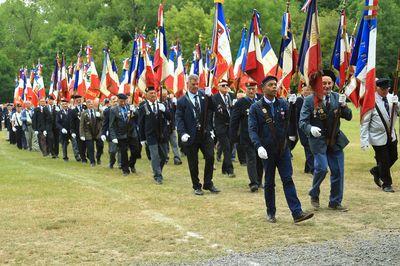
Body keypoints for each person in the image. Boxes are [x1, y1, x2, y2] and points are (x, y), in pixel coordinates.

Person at [248, 75, 314, 223]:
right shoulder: (256, 108)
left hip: (282, 150)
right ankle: (271, 212)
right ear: (263, 88)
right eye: (270, 85)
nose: (274, 87)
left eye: (275, 84)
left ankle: (297, 213)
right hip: (267, 151)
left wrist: (293, 106)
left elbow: (291, 121)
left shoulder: (283, 104)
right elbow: (252, 129)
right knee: (269, 182)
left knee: (287, 179)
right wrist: (258, 146)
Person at [299, 70, 352, 211]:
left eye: (329, 83)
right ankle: (314, 193)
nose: (327, 86)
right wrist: (310, 129)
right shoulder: (310, 100)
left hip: (335, 140)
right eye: (324, 83)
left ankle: (335, 202)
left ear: (333, 84)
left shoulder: (337, 98)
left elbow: (349, 116)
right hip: (319, 141)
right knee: (321, 168)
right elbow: (302, 121)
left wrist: (344, 106)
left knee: (338, 172)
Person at [175, 74, 220, 195]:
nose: (195, 86)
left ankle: (208, 183)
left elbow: (214, 108)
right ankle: (196, 185)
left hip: (204, 134)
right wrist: (182, 133)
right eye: (193, 84)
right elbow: (179, 119)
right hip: (190, 135)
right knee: (193, 162)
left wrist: (210, 97)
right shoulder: (182, 101)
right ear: (187, 84)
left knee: (210, 157)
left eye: (197, 84)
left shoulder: (203, 96)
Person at [360, 78, 398, 192]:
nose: (385, 91)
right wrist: (364, 140)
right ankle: (386, 184)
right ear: (377, 88)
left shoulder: (392, 98)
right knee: (384, 160)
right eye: (383, 89)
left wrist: (397, 104)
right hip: (377, 137)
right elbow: (365, 122)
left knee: (394, 157)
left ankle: (377, 170)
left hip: (391, 135)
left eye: (387, 89)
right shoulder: (371, 100)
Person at [230, 81, 263, 192]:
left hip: (261, 136)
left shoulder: (261, 100)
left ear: (256, 88)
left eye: (253, 88)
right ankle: (253, 183)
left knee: (260, 159)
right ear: (245, 89)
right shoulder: (241, 103)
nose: (251, 90)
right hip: (247, 136)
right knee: (251, 158)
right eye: (249, 88)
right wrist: (233, 136)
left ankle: (259, 180)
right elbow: (234, 120)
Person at [138, 87, 171, 184]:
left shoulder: (161, 105)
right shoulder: (143, 107)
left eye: (154, 93)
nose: (153, 95)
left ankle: (158, 170)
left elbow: (170, 117)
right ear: (147, 95)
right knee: (155, 156)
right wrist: (142, 138)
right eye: (151, 93)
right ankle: (158, 175)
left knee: (164, 156)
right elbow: (141, 123)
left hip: (162, 134)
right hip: (150, 135)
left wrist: (165, 110)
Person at [212, 79, 235, 177]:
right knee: (227, 147)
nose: (225, 87)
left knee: (229, 148)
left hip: (229, 125)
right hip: (220, 126)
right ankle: (230, 170)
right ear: (218, 87)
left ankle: (224, 169)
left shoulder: (231, 96)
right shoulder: (215, 98)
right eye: (223, 85)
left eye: (226, 85)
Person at [109, 93, 131, 176]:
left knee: (136, 150)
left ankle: (131, 164)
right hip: (120, 135)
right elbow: (111, 125)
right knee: (123, 152)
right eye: (121, 101)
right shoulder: (113, 110)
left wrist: (134, 112)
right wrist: (113, 136)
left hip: (130, 133)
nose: (123, 103)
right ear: (118, 100)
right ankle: (125, 170)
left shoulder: (129, 107)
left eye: (124, 101)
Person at [296, 84, 314, 174]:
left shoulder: (311, 100)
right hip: (302, 127)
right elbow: (296, 116)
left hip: (310, 126)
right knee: (308, 147)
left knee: (310, 148)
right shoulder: (299, 100)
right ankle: (312, 169)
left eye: (308, 90)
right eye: (305, 90)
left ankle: (307, 168)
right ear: (301, 91)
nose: (307, 92)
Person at [161, 89, 182, 165]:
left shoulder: (171, 102)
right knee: (165, 144)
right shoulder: (158, 103)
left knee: (175, 143)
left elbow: (175, 112)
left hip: (171, 125)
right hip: (163, 127)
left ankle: (177, 158)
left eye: (165, 96)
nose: (164, 97)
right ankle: (165, 158)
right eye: (162, 96)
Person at [79, 99, 102, 167]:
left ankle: (98, 157)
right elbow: (81, 124)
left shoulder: (97, 111)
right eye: (89, 104)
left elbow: (103, 119)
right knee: (90, 148)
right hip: (88, 132)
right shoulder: (84, 113)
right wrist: (82, 134)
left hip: (97, 132)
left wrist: (100, 116)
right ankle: (92, 162)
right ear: (87, 105)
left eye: (91, 104)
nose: (91, 105)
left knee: (100, 146)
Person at [101, 96, 121, 169]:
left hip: (121, 133)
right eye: (113, 100)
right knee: (112, 151)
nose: (115, 102)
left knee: (121, 149)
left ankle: (120, 163)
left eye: (116, 100)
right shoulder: (107, 111)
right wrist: (103, 133)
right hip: (112, 133)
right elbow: (105, 123)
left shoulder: (122, 109)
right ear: (110, 102)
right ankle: (112, 162)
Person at [70, 95, 86, 163]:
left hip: (86, 130)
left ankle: (88, 155)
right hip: (78, 130)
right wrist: (73, 131)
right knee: (80, 145)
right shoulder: (73, 111)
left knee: (87, 144)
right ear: (75, 101)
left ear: (82, 100)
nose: (79, 101)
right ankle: (83, 158)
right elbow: (72, 122)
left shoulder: (85, 108)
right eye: (77, 100)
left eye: (80, 99)